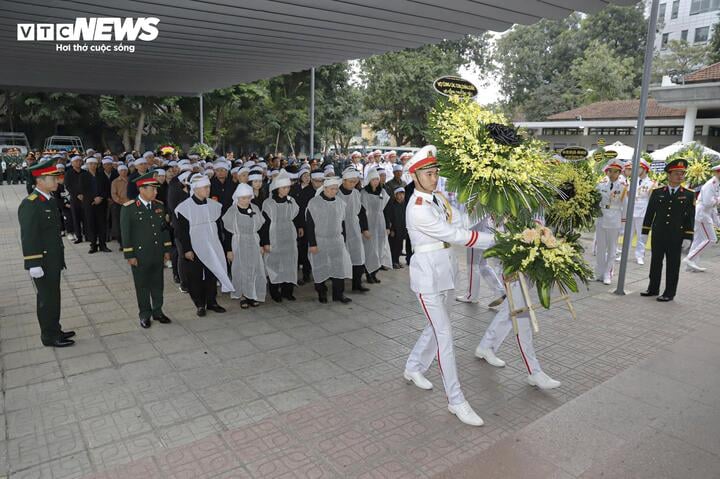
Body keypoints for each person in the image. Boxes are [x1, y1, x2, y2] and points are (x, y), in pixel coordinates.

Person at [402, 145, 494, 427]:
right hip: (427, 276)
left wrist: (489, 214)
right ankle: (456, 400)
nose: (434, 178)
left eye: (436, 172)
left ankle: (413, 367)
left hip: (445, 271)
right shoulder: (417, 209)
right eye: (428, 173)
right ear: (415, 176)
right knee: (444, 335)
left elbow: (462, 220)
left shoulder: (438, 198)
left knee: (435, 327)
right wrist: (495, 241)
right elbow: (455, 234)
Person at [18, 158, 75, 347]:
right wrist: (33, 263)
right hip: (42, 261)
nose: (57, 181)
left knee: (53, 297)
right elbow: (29, 236)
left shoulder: (48, 200)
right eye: (52, 178)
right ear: (39, 180)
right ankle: (48, 336)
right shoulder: (31, 204)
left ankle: (55, 329)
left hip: (53, 259)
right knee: (46, 299)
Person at [174, 174, 234, 316]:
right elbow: (182, 231)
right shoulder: (184, 207)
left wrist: (225, 247)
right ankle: (200, 304)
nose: (208, 190)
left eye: (208, 187)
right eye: (205, 187)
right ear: (195, 189)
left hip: (212, 244)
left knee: (211, 274)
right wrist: (187, 249)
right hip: (194, 247)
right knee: (195, 277)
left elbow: (220, 229)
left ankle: (212, 302)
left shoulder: (214, 205)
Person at [120, 172, 173, 328]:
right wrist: (129, 254)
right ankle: (145, 314)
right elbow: (126, 234)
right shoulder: (129, 208)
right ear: (141, 190)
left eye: (156, 189)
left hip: (157, 252)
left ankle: (158, 311)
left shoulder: (159, 206)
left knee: (158, 283)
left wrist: (166, 250)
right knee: (142, 285)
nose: (156, 192)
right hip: (140, 255)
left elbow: (164, 230)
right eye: (152, 189)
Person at [640, 158, 695, 302]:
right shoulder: (658, 192)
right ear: (669, 175)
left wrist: (688, 237)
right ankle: (653, 288)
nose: (680, 176)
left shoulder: (689, 194)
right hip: (658, 233)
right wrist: (645, 232)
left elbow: (690, 217)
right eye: (677, 173)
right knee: (656, 262)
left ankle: (669, 293)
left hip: (676, 235)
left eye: (682, 173)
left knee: (673, 264)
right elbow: (650, 213)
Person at [305, 176, 353, 304]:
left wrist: (344, 240)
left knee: (339, 267)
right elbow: (309, 225)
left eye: (336, 189)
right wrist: (313, 244)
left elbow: (343, 223)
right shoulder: (314, 203)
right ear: (324, 188)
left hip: (336, 240)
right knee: (320, 266)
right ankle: (322, 292)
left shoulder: (340, 203)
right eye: (332, 189)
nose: (334, 191)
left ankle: (339, 294)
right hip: (320, 241)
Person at [222, 183, 267, 308]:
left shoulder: (255, 209)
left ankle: (252, 294)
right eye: (243, 198)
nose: (246, 200)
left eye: (248, 197)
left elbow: (261, 229)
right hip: (238, 243)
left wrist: (262, 245)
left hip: (253, 241)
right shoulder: (232, 211)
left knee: (255, 268)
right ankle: (242, 295)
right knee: (241, 269)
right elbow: (227, 232)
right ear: (237, 198)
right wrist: (229, 250)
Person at [260, 170, 300, 302]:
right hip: (274, 237)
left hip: (288, 236)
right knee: (274, 264)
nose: (287, 190)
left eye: (288, 187)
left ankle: (287, 291)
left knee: (289, 263)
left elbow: (295, 217)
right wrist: (265, 242)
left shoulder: (291, 201)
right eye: (284, 187)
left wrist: (298, 228)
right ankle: (274, 291)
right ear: (277, 188)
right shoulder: (268, 203)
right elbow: (264, 225)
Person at [456, 215, 506, 307]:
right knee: (482, 265)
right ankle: (499, 291)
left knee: (472, 265)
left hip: (476, 232)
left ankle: (471, 296)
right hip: (486, 231)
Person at [594, 159, 627, 285]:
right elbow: (595, 203)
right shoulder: (600, 185)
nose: (612, 174)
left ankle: (608, 273)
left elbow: (625, 206)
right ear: (607, 172)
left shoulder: (623, 188)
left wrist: (623, 226)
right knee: (600, 247)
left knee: (612, 248)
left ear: (619, 173)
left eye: (615, 172)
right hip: (602, 217)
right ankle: (600, 272)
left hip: (614, 219)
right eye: (610, 171)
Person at [683, 163, 720, 272]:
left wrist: (717, 221)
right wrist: (718, 200)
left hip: (704, 214)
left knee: (699, 240)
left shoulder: (716, 184)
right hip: (702, 214)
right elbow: (709, 203)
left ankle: (691, 265)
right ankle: (689, 258)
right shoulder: (711, 184)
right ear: (718, 172)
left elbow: (712, 205)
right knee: (711, 239)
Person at [339, 168, 370, 292]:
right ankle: (339, 288)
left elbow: (361, 212)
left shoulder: (356, 193)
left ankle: (357, 284)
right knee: (341, 257)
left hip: (354, 227)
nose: (353, 184)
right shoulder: (336, 193)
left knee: (358, 254)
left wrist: (365, 229)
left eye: (355, 182)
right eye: (351, 181)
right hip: (340, 228)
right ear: (344, 180)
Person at [361, 168, 392, 283]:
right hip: (369, 223)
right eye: (373, 179)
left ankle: (375, 273)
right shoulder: (363, 193)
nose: (376, 182)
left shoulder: (382, 192)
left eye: (377, 179)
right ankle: (368, 273)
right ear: (369, 180)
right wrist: (364, 228)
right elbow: (361, 212)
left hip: (380, 223)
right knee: (370, 249)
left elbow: (386, 210)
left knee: (379, 248)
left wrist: (388, 226)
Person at [624, 159, 656, 265]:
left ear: (645, 169)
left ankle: (639, 255)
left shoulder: (651, 183)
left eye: (639, 168)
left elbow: (651, 200)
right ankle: (624, 254)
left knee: (641, 235)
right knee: (627, 234)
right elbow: (628, 195)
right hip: (631, 210)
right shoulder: (632, 181)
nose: (637, 170)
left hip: (643, 211)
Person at [80, 156, 112, 253]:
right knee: (91, 224)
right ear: (87, 165)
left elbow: (107, 188)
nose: (92, 165)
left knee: (102, 224)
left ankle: (103, 245)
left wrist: (101, 197)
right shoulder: (83, 176)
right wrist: (93, 198)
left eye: (94, 163)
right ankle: (93, 245)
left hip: (101, 203)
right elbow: (83, 190)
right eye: (90, 164)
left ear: (97, 165)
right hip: (89, 204)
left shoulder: (102, 175)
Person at [64, 155, 86, 244]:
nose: (78, 163)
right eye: (76, 161)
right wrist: (77, 194)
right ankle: (78, 236)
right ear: (72, 163)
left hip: (85, 198)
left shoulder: (85, 172)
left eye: (79, 161)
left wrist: (84, 194)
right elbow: (68, 186)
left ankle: (87, 235)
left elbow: (88, 184)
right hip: (74, 198)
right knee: (76, 218)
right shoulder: (68, 173)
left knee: (86, 217)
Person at [385, 186, 408, 269]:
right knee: (393, 246)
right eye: (399, 194)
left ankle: (397, 261)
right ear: (395, 195)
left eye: (403, 194)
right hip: (394, 230)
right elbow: (388, 217)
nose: (401, 196)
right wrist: (391, 229)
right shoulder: (391, 204)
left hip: (402, 229)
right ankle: (393, 262)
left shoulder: (404, 204)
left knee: (400, 247)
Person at [111, 164, 130, 249]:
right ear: (118, 171)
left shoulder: (131, 180)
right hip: (119, 205)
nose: (123, 172)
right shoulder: (115, 182)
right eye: (121, 170)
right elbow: (114, 194)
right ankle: (122, 243)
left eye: (125, 170)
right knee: (119, 225)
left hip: (131, 204)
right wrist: (122, 201)